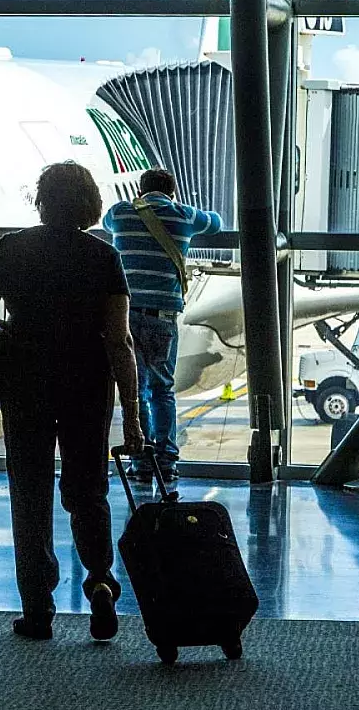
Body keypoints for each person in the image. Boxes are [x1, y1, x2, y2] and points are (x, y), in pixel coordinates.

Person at [0, 161, 143, 642]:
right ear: (89, 203)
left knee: (30, 494)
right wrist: (134, 414)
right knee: (87, 490)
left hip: (26, 381)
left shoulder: (12, 248)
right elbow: (119, 341)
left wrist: (8, 331)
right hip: (86, 382)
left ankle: (37, 608)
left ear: (41, 199)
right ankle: (100, 580)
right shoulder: (103, 256)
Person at [103, 167, 223, 483]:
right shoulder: (183, 215)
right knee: (162, 389)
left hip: (126, 314)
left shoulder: (121, 212)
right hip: (163, 317)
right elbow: (216, 223)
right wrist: (178, 208)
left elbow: (104, 222)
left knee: (134, 389)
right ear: (171, 193)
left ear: (140, 192)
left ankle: (141, 463)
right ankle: (166, 462)